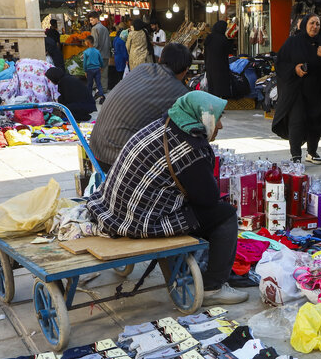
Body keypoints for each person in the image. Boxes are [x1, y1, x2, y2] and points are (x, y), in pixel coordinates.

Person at [84, 91, 249, 306]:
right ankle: (213, 287)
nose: (220, 126)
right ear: (204, 118)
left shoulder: (163, 125)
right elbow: (208, 199)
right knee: (225, 215)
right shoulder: (190, 150)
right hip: (138, 221)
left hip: (110, 208)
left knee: (196, 202)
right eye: (217, 119)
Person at [90, 42, 192, 172]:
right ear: (185, 71)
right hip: (118, 160)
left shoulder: (141, 68)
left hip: (95, 150)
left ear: (160, 59)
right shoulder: (180, 93)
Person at [271, 14, 321, 165]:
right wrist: (294, 69)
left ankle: (312, 152)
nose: (315, 26)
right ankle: (295, 154)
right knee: (296, 121)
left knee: (315, 120)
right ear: (304, 24)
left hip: (317, 89)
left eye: (317, 24)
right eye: (311, 23)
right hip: (297, 89)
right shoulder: (293, 42)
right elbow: (280, 62)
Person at [204, 20, 232, 99]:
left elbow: (205, 52)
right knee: (221, 86)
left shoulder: (209, 38)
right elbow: (227, 52)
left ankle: (212, 105)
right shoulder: (223, 39)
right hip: (221, 66)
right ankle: (219, 104)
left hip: (210, 65)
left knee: (212, 86)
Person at [89, 12, 111, 88]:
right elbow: (109, 43)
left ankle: (97, 88)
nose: (90, 22)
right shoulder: (105, 28)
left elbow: (94, 43)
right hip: (105, 54)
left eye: (91, 20)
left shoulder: (95, 28)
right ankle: (104, 88)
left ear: (96, 19)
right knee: (104, 73)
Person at [82, 36, 105, 100]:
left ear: (88, 42)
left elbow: (85, 63)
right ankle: (102, 97)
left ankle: (89, 98)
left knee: (89, 84)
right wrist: (102, 67)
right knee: (98, 83)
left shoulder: (86, 52)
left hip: (89, 70)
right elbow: (101, 60)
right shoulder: (97, 51)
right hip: (97, 69)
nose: (85, 43)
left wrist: (85, 71)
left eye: (85, 42)